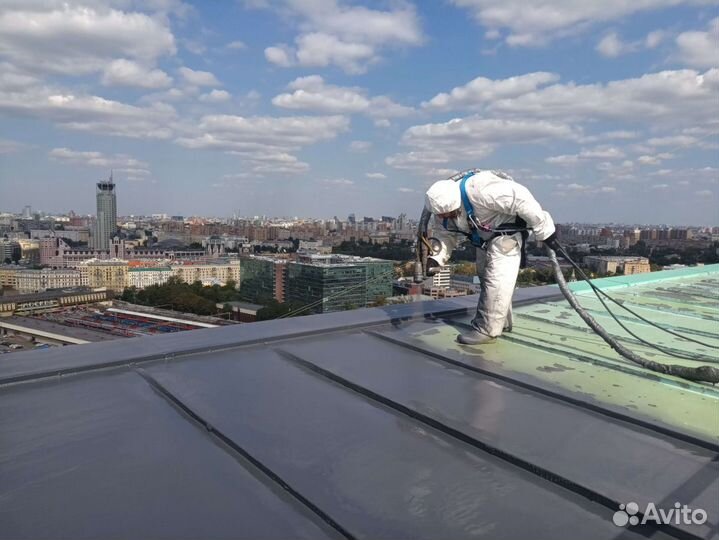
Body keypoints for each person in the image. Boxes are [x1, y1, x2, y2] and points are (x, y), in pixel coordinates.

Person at [424, 169, 560, 345]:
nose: (444, 217)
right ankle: (502, 322)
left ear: (455, 203)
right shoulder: (442, 209)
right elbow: (445, 235)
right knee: (486, 279)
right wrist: (436, 258)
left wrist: (544, 231)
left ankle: (487, 330)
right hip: (483, 240)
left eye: (448, 213)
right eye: (441, 215)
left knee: (496, 282)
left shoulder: (481, 191)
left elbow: (521, 199)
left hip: (506, 237)